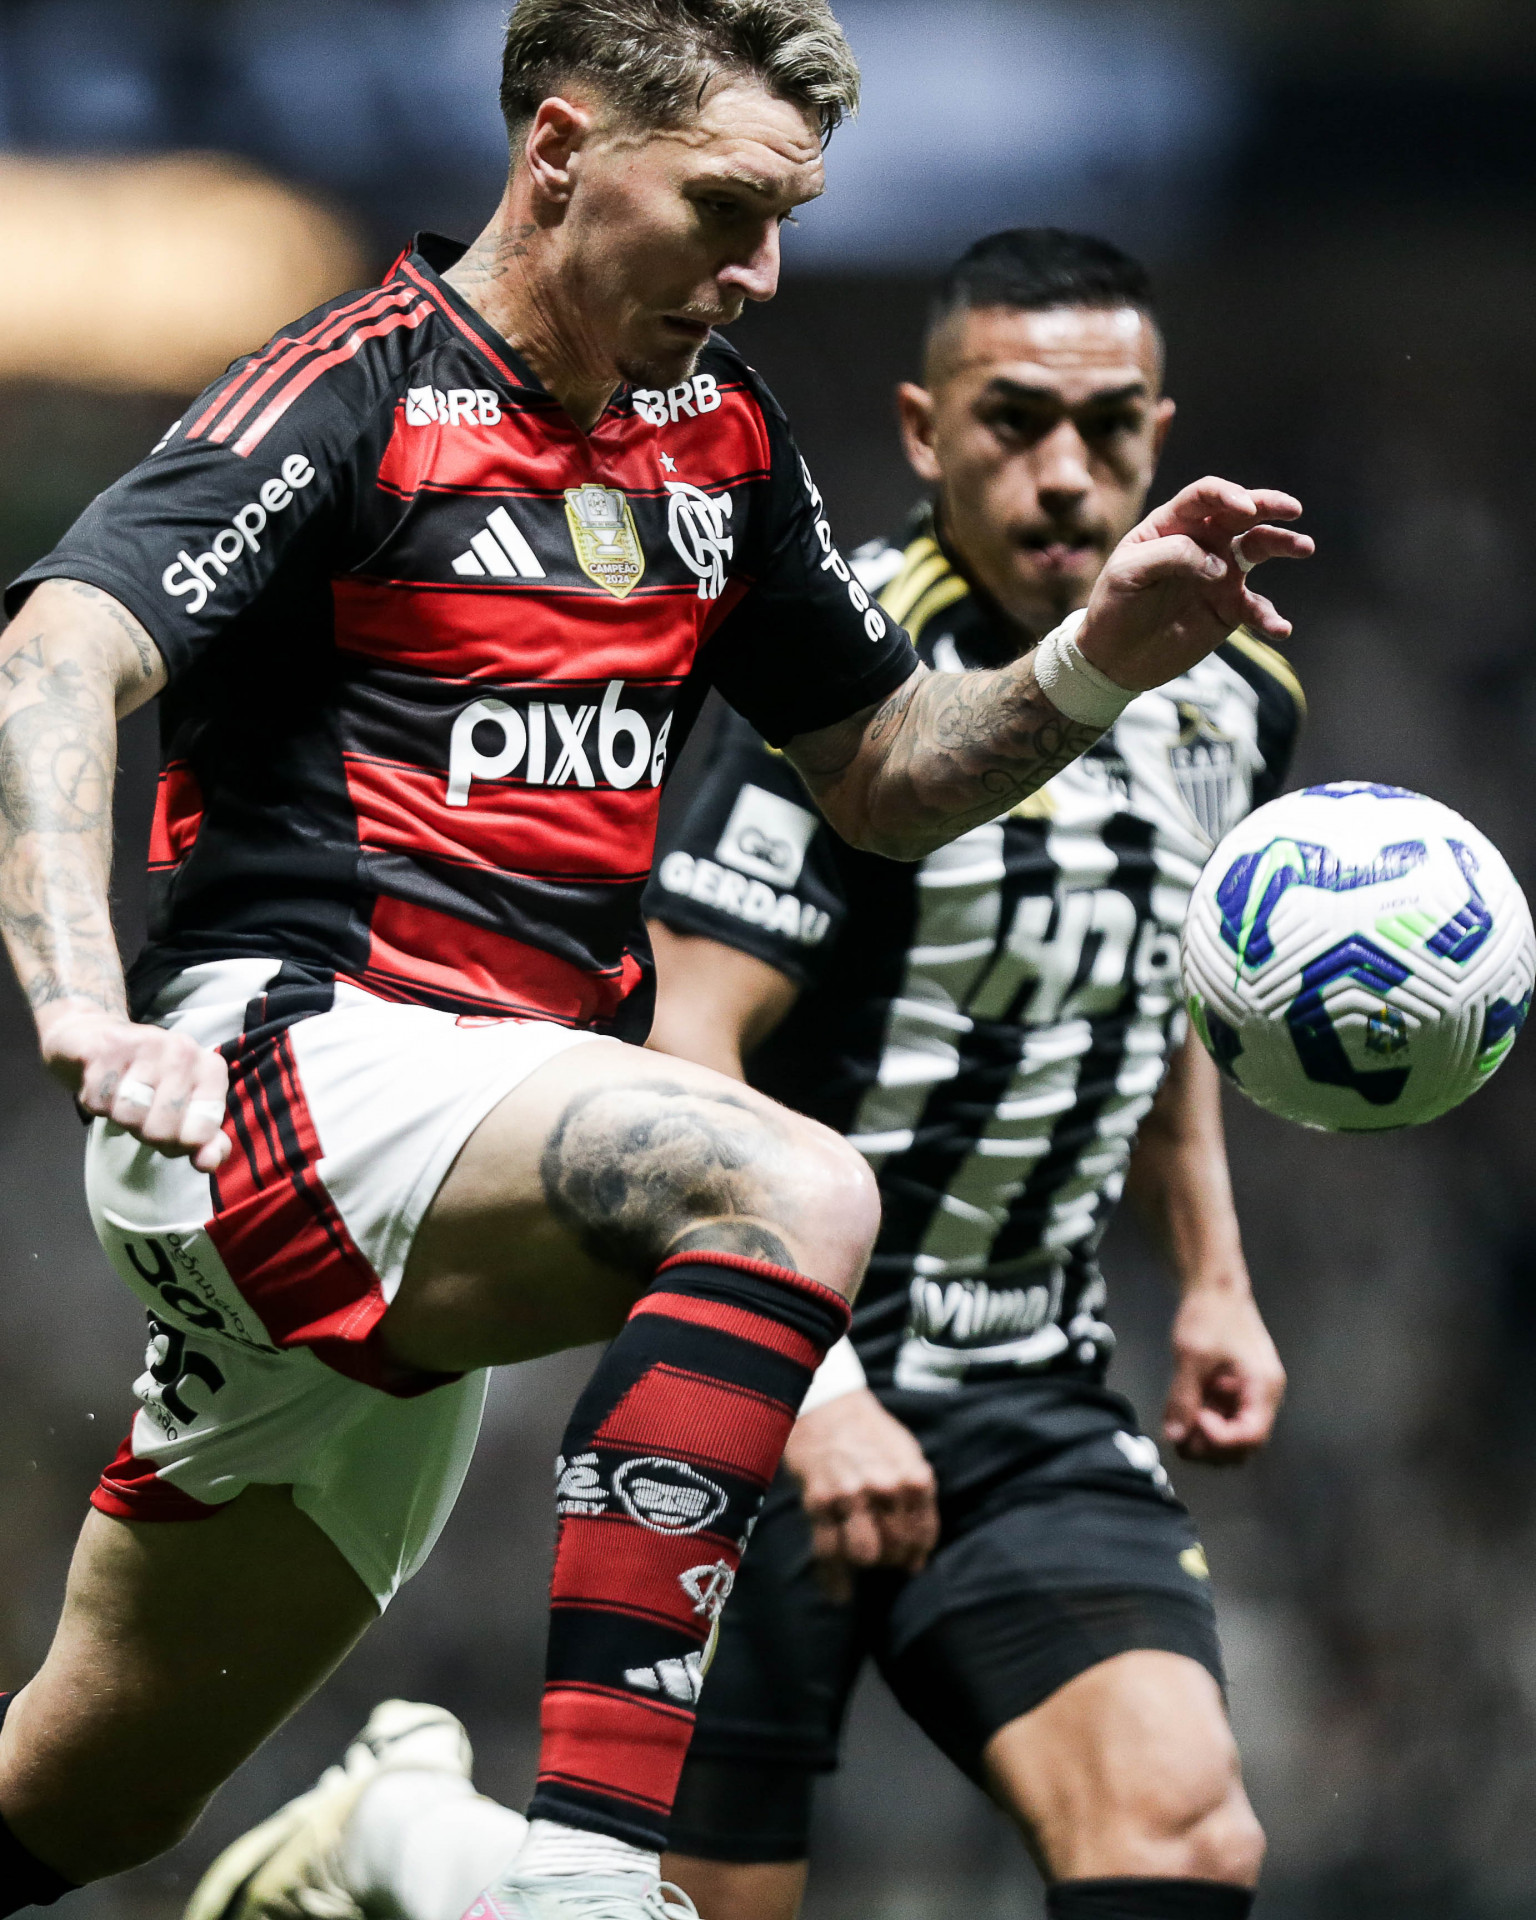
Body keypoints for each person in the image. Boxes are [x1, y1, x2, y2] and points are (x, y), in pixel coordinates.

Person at [0, 0, 1308, 1907]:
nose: (762, 270)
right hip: (280, 1077)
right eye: (723, 207)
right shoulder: (358, 394)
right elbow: (58, 648)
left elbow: (881, 774)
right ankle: (591, 1873)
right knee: (784, 1178)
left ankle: (397, 1837)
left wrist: (1098, 650)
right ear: (557, 153)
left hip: (458, 1162)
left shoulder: (718, 448)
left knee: (83, 1798)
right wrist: (78, 1005)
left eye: (788, 219)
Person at [639, 230, 1301, 1920]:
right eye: (1014, 422)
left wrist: (1215, 1277)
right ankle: (395, 1857)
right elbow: (683, 1050)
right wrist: (825, 1391)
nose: (1067, 476)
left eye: (1108, 427)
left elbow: (1165, 998)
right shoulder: (841, 684)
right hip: (776, 1373)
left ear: (1165, 423)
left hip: (1030, 1391)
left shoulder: (1241, 697)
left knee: (1184, 1833)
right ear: (928, 433)